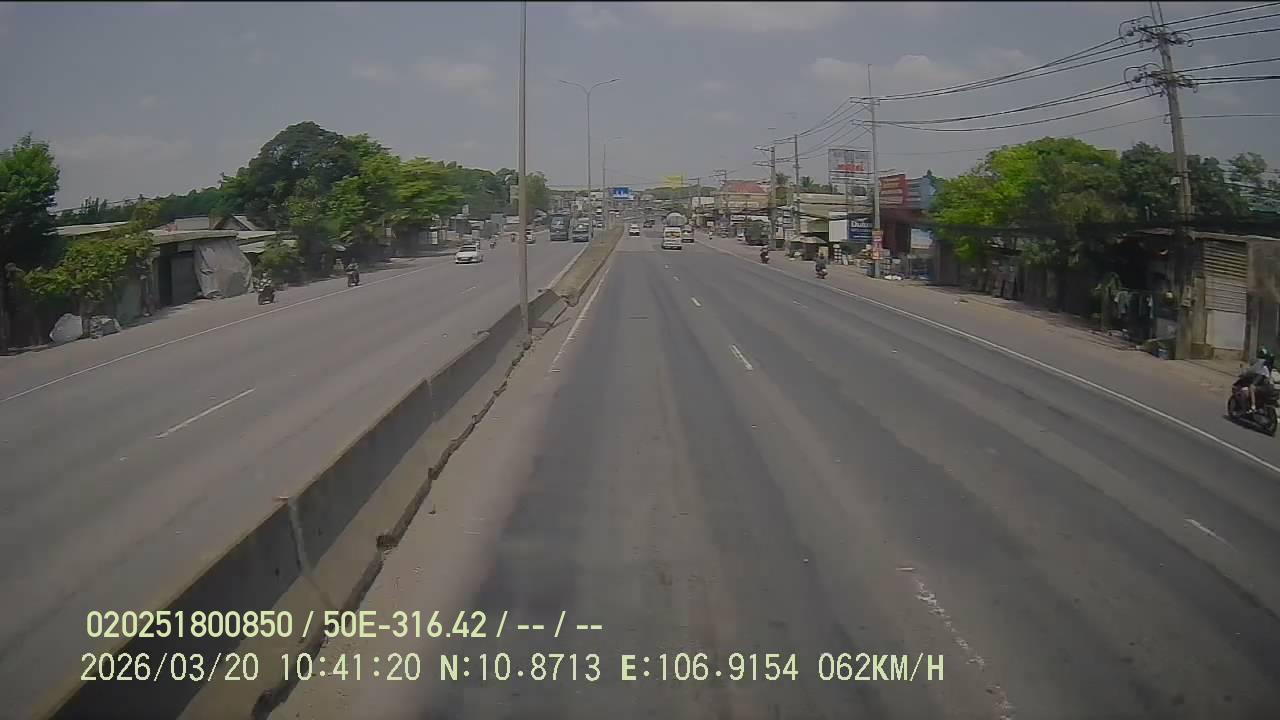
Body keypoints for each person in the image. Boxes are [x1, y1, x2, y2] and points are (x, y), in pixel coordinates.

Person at [1238, 347, 1278, 412]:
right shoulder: (1273, 368)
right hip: (1273, 388)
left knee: (1252, 387)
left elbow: (1252, 374)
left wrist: (1253, 383)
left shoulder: (1263, 366)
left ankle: (1253, 406)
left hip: (1267, 387)